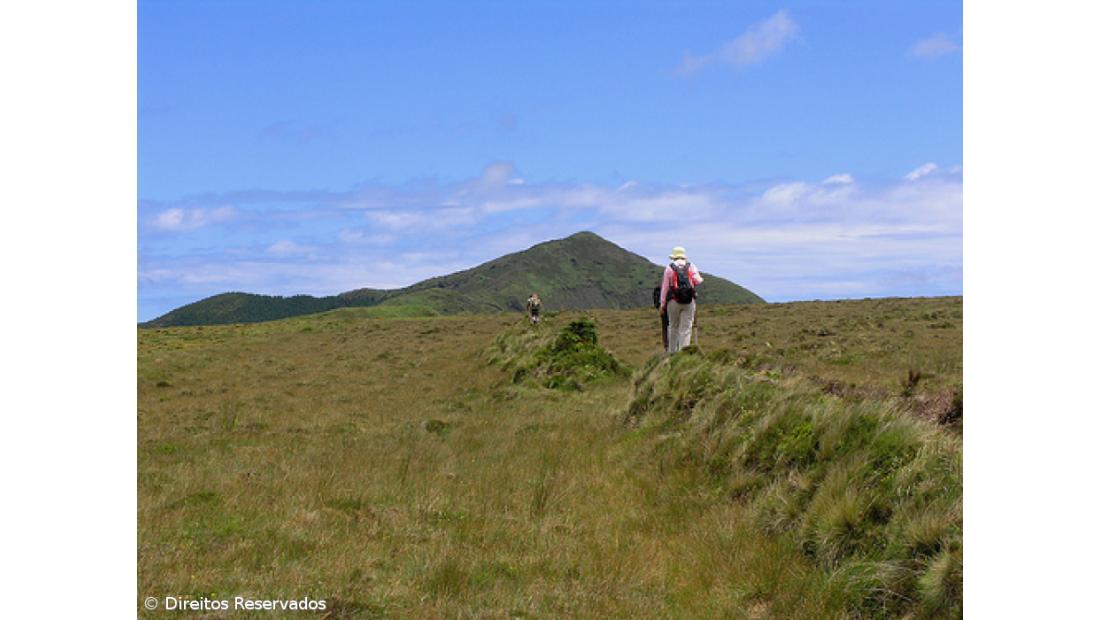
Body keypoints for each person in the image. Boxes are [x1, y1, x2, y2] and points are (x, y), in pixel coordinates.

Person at [658, 246, 703, 353]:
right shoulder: (691, 266)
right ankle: (683, 353)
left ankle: (672, 353)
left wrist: (662, 304)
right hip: (688, 301)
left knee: (673, 326)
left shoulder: (669, 268)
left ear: (673, 257)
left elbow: (665, 288)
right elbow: (698, 281)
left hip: (673, 301)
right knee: (686, 328)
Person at [653, 281, 669, 351]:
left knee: (665, 327)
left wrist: (659, 307)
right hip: (670, 308)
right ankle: (673, 345)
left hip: (662, 309)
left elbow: (655, 300)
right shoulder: (672, 285)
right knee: (673, 326)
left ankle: (666, 346)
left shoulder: (658, 288)